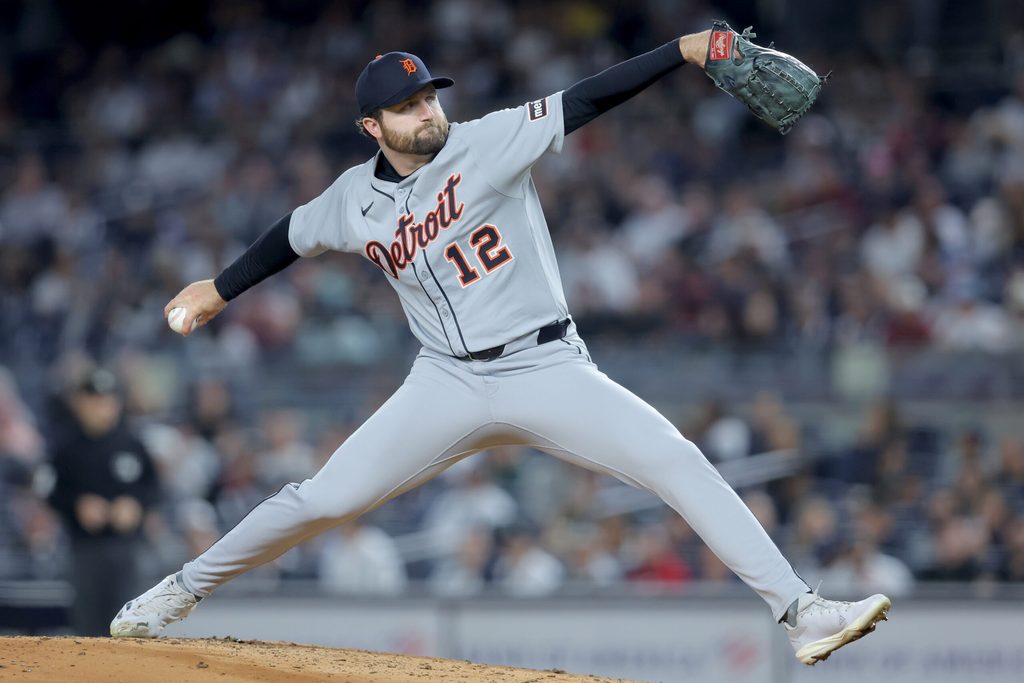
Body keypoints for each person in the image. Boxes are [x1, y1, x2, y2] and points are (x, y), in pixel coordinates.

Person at [110, 29, 890, 665]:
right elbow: (289, 236)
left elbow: (587, 98)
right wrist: (219, 286)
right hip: (442, 383)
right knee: (322, 499)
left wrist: (682, 52)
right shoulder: (353, 198)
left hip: (544, 366)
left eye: (426, 96)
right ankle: (179, 589)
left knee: (674, 458)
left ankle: (800, 610)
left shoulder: (489, 142)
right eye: (405, 106)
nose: (425, 113)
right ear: (371, 128)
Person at [47, 367, 161, 635]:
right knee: (88, 624)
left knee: (131, 621)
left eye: (108, 401)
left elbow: (153, 488)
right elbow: (51, 491)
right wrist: (77, 505)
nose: (103, 408)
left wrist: (136, 506)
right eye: (95, 401)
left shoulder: (132, 444)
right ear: (80, 404)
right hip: (85, 548)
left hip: (127, 547)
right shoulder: (66, 447)